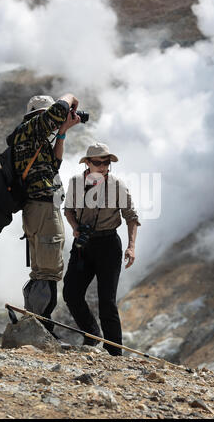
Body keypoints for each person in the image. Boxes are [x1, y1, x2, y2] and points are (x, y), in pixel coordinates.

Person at [12, 93, 80, 337]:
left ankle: (34, 323)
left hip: (38, 208)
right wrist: (71, 98)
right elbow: (60, 109)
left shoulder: (31, 138)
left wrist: (62, 134)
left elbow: (55, 165)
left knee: (41, 269)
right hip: (42, 208)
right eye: (48, 117)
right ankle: (42, 327)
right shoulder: (31, 129)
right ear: (39, 115)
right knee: (48, 269)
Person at [63, 142, 141, 355]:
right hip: (83, 244)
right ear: (87, 163)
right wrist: (75, 228)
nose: (103, 166)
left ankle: (114, 351)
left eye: (106, 162)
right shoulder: (75, 183)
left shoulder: (118, 185)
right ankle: (91, 332)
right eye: (98, 162)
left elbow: (131, 217)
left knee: (107, 301)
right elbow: (68, 210)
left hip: (109, 245)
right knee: (71, 292)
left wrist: (131, 247)